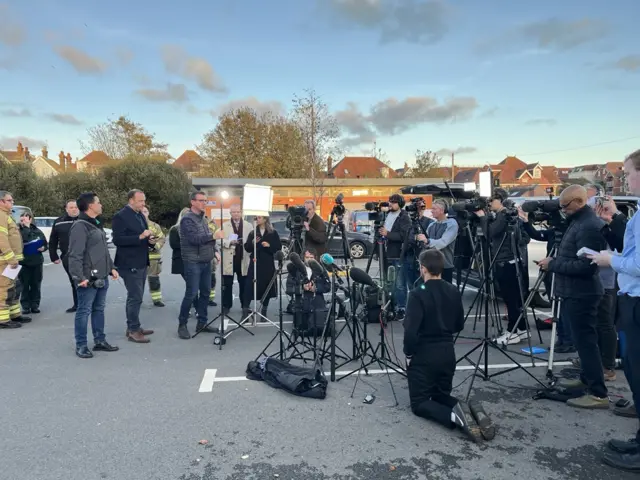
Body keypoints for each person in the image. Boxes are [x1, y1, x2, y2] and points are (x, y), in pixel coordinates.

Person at [403, 249, 494, 443]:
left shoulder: (417, 294)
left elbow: (410, 331)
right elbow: (458, 324)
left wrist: (408, 355)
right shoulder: (453, 290)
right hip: (447, 352)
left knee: (420, 403)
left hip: (425, 353)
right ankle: (472, 410)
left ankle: (456, 417)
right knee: (440, 394)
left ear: (423, 269)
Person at [590, 149, 640, 471]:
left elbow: (636, 262)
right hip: (630, 298)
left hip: (636, 300)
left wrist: (610, 260)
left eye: (628, 172)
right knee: (634, 374)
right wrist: (613, 220)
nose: (624, 178)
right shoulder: (635, 212)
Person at [538, 184, 608, 409]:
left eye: (565, 206)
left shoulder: (589, 226)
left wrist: (553, 263)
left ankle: (598, 393)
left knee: (586, 343)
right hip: (572, 292)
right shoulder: (578, 222)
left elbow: (587, 266)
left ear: (579, 202)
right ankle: (587, 380)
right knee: (582, 342)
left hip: (583, 293)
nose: (563, 210)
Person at [67, 192, 119, 358]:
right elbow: (75, 255)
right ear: (90, 206)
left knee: (99, 309)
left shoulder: (96, 223)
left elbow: (103, 250)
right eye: (98, 202)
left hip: (102, 275)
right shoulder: (80, 226)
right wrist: (79, 277)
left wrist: (111, 267)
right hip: (87, 279)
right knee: (84, 311)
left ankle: (100, 341)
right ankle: (81, 345)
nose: (101, 204)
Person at [479, 189, 529, 346]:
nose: (489, 204)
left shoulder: (503, 215)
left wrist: (482, 217)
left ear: (500, 200)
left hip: (506, 262)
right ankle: (521, 328)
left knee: (510, 298)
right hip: (510, 261)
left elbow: (489, 233)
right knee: (513, 298)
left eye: (491, 201)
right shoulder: (507, 216)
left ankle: (512, 332)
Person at [111, 189, 154, 344]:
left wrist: (149, 240)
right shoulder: (120, 216)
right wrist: (140, 237)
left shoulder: (140, 215)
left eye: (144, 201)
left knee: (138, 296)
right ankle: (133, 330)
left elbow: (143, 235)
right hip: (129, 263)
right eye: (140, 201)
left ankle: (134, 326)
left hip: (142, 261)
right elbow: (118, 239)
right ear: (131, 200)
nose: (143, 204)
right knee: (135, 297)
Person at [178, 192, 222, 339]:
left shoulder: (203, 219)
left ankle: (202, 323)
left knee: (205, 293)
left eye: (206, 201)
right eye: (201, 201)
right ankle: (182, 325)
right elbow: (194, 239)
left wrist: (215, 250)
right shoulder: (187, 220)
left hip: (205, 261)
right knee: (191, 294)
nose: (204, 203)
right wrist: (213, 236)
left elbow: (207, 239)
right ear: (193, 202)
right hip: (193, 262)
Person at [0, 190, 30, 328]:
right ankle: (3, 320)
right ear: (1, 202)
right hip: (5, 261)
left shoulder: (6, 215)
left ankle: (14, 315)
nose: (12, 202)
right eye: (9, 200)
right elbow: (2, 239)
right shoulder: (1, 216)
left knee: (13, 287)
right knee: (3, 289)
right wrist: (11, 258)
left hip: (10, 261)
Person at [243, 215, 282, 320]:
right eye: (255, 218)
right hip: (255, 262)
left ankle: (264, 312)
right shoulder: (253, 232)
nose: (257, 219)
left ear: (265, 219)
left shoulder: (273, 232)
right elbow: (247, 248)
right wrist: (253, 243)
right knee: (249, 286)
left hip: (267, 262)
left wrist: (269, 245)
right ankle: (245, 312)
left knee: (266, 286)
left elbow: (278, 246)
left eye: (259, 218)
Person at [379, 193, 411, 318]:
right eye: (390, 201)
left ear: (400, 204)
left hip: (398, 254)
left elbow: (405, 236)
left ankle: (402, 308)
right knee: (389, 282)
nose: (390, 204)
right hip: (387, 253)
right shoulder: (387, 215)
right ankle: (392, 305)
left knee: (399, 283)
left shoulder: (404, 217)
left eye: (394, 202)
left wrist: (388, 234)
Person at [285, 247, 330, 336]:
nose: (309, 260)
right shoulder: (295, 270)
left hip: (317, 305)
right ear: (303, 258)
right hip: (301, 305)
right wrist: (302, 288)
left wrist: (316, 288)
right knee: (301, 330)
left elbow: (328, 287)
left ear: (315, 258)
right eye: (307, 257)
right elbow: (289, 289)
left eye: (311, 258)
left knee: (319, 330)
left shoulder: (320, 270)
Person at [49, 199, 79, 312]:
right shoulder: (59, 222)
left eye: (76, 207)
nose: (74, 209)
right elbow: (53, 240)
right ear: (66, 209)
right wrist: (53, 256)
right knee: (74, 280)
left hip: (85, 257)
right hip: (67, 256)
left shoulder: (85, 220)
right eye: (71, 207)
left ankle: (88, 304)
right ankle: (77, 304)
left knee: (86, 280)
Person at [221, 204, 252, 314]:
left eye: (238, 212)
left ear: (241, 213)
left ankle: (245, 305)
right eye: (234, 212)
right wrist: (229, 242)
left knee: (244, 284)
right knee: (227, 284)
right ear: (230, 213)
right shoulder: (224, 225)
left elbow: (251, 241)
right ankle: (226, 306)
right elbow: (218, 241)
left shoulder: (248, 225)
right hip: (229, 258)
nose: (236, 214)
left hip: (243, 258)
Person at [418, 199, 458, 283]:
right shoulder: (432, 224)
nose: (431, 211)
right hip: (430, 266)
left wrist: (427, 241)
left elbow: (443, 242)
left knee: (444, 293)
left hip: (445, 265)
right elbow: (425, 244)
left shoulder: (452, 224)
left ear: (442, 210)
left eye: (434, 209)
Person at [18, 212, 48, 314]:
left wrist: (44, 248)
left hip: (37, 261)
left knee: (36, 284)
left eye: (25, 220)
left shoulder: (37, 230)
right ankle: (25, 306)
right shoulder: (19, 231)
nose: (22, 222)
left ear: (30, 219)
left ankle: (35, 305)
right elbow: (24, 239)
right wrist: (25, 228)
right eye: (21, 220)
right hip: (24, 262)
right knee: (24, 285)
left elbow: (44, 242)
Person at [142, 206, 165, 307]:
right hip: (139, 257)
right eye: (142, 211)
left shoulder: (155, 226)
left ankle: (157, 300)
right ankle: (136, 299)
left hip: (153, 258)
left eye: (146, 211)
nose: (144, 213)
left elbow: (162, 239)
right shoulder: (133, 225)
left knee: (154, 280)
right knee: (137, 281)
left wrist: (155, 246)